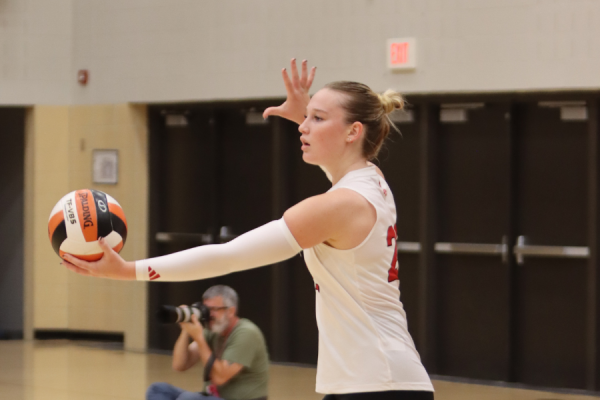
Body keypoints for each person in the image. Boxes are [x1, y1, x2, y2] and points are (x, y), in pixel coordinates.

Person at [62, 59, 435, 400]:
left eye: (317, 119)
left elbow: (229, 256)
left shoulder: (336, 206)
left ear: (354, 131)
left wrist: (128, 271)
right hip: (380, 378)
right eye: (307, 117)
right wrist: (304, 115)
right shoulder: (372, 180)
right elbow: (338, 164)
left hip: (378, 383)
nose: (304, 126)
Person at [146, 285, 269, 400]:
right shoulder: (213, 330)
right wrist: (185, 330)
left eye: (214, 309)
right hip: (211, 396)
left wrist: (199, 338)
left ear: (231, 311)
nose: (209, 315)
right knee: (158, 390)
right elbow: (179, 365)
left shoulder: (246, 333)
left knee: (187, 399)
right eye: (206, 309)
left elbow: (220, 377)